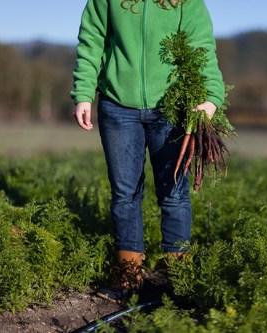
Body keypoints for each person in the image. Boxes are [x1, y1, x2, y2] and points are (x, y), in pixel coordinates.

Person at [70, 0, 225, 302]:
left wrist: (211, 96)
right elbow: (91, 41)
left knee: (174, 193)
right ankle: (129, 276)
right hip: (117, 107)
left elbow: (202, 48)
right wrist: (83, 92)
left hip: (171, 109)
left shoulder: (186, 2)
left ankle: (176, 276)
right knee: (125, 193)